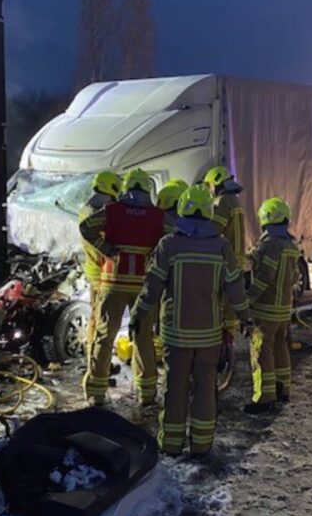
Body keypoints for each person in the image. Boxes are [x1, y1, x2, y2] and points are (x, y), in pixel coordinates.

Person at [132, 185, 252, 457]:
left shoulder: (169, 244)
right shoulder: (221, 245)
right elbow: (236, 289)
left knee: (175, 388)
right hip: (208, 335)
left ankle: (172, 444)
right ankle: (201, 444)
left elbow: (152, 287)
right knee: (206, 388)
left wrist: (139, 314)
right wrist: (245, 317)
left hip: (175, 334)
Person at [79, 169, 173, 406]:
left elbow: (86, 227)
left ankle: (96, 393)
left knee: (104, 337)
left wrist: (106, 247)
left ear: (127, 188)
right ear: (147, 189)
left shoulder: (112, 211)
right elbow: (176, 234)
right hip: (143, 285)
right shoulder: (157, 215)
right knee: (144, 339)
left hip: (112, 283)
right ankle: (147, 393)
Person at [244, 198, 300, 414]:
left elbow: (265, 277)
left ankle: (264, 398)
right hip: (283, 310)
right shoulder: (290, 246)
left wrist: (249, 298)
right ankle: (283, 389)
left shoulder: (269, 246)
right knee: (281, 348)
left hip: (266, 310)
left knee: (261, 353)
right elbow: (293, 276)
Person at [78, 171, 122, 363]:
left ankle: (94, 360)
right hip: (102, 272)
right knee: (100, 321)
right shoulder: (100, 210)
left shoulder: (87, 207)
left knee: (97, 319)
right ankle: (95, 362)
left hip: (93, 269)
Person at [203, 166, 246, 342]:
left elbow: (212, 231)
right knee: (231, 309)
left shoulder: (221, 202)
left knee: (222, 309)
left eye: (210, 185)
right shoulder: (235, 201)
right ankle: (231, 346)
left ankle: (224, 349)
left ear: (216, 184)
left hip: (224, 263)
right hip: (236, 262)